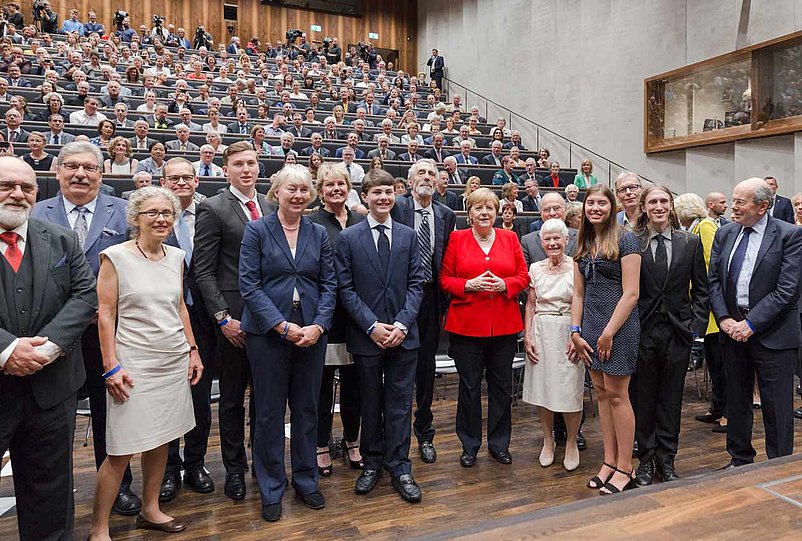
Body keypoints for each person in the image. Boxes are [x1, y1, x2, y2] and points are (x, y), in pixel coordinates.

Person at [88, 186, 202, 539]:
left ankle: (151, 510)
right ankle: (99, 529)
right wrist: (110, 365)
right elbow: (105, 314)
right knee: (121, 450)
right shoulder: (114, 257)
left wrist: (193, 349)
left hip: (172, 360)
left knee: (163, 440)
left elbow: (180, 306)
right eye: (151, 213)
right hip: (133, 365)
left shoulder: (177, 257)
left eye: (167, 213)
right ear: (135, 218)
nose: (161, 219)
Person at [31, 142, 138, 515]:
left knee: (111, 413)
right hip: (51, 334)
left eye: (89, 168)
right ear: (57, 171)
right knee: (51, 417)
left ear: (102, 173)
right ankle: (55, 492)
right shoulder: (33, 211)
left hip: (108, 334)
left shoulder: (125, 213)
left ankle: (118, 487)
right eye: (72, 166)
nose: (80, 174)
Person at [0, 156, 97, 541]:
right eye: (7, 185)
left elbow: (84, 295)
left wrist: (49, 348)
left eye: (26, 188)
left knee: (50, 499)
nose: (17, 194)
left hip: (52, 389)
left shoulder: (60, 238)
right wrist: (7, 350)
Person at [239, 166, 336, 522]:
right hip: (267, 334)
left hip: (311, 331)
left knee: (308, 408)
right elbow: (249, 286)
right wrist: (281, 326)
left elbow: (330, 285)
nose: (298, 195)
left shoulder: (318, 233)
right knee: (268, 413)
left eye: (304, 189)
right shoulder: (257, 230)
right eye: (290, 189)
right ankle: (271, 486)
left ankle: (307, 481)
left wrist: (319, 325)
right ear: (276, 192)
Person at [335, 169, 425, 503]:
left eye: (389, 192)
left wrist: (401, 325)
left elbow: (418, 283)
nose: (384, 198)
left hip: (404, 335)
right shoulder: (349, 238)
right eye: (377, 193)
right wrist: (372, 325)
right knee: (369, 402)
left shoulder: (408, 235)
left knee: (400, 404)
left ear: (396, 195)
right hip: (367, 336)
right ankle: (372, 463)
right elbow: (345, 288)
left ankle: (400, 466)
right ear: (365, 197)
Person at [194, 141, 276, 502]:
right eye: (239, 164)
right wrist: (222, 317)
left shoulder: (272, 206)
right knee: (230, 400)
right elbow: (204, 271)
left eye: (252, 163)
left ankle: (263, 463)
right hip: (233, 322)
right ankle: (234, 470)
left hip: (271, 320)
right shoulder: (212, 208)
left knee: (266, 399)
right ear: (226, 170)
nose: (246, 169)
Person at [708, 177, 802, 468]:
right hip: (732, 334)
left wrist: (751, 324)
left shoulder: (789, 235)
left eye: (740, 202)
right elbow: (713, 281)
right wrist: (724, 318)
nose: (733, 207)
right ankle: (739, 459)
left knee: (777, 408)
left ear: (762, 206)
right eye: (733, 200)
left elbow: (787, 289)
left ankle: (778, 467)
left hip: (773, 335)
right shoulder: (725, 234)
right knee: (737, 402)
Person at [440, 188, 529, 468]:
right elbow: (444, 279)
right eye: (478, 208)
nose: (484, 213)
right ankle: (469, 444)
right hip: (466, 327)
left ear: (497, 212)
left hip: (503, 325)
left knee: (501, 387)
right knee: (468, 387)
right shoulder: (457, 238)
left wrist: (506, 285)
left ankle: (499, 444)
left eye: (489, 208)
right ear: (469, 214)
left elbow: (523, 276)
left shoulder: (510, 237)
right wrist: (468, 284)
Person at [630, 186, 708, 487]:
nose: (659, 206)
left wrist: (695, 327)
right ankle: (646, 460)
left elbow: (701, 289)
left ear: (671, 206)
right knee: (644, 398)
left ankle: (667, 458)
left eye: (664, 201)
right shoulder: (632, 241)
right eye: (653, 202)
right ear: (644, 206)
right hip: (642, 331)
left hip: (678, 332)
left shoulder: (690, 242)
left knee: (671, 399)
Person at [570, 184, 641, 494]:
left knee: (617, 395)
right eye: (590, 202)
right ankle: (609, 461)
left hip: (618, 327)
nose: (595, 208)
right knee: (600, 394)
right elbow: (578, 293)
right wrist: (575, 331)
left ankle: (626, 467)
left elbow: (632, 293)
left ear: (612, 207)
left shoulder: (627, 239)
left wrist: (608, 332)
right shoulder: (583, 241)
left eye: (602, 203)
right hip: (590, 327)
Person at [157, 159, 216, 500]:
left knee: (199, 395)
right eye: (173, 178)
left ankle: (195, 462)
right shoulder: (150, 214)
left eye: (186, 177)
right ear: (163, 181)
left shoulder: (209, 212)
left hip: (204, 318)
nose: (180, 182)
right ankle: (167, 468)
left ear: (196, 181)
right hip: (163, 319)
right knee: (167, 396)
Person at [392, 160, 456, 464]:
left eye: (432, 173)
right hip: (398, 296)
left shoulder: (445, 214)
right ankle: (393, 432)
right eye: (421, 173)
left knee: (426, 367)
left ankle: (425, 431)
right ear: (409, 179)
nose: (427, 178)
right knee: (397, 365)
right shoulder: (397, 207)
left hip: (431, 297)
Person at [308, 163, 365, 478]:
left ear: (348, 187)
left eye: (341, 184)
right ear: (321, 190)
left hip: (356, 316)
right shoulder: (313, 222)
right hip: (327, 316)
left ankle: (353, 442)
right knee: (323, 386)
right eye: (329, 185)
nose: (336, 190)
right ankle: (321, 445)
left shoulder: (361, 219)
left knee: (355, 385)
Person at [523, 218, 583, 471]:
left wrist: (576, 334)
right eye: (547, 239)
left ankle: (570, 441)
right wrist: (528, 336)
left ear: (567, 241)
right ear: (541, 242)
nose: (552, 242)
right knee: (542, 389)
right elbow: (530, 304)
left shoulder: (577, 267)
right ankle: (548, 441)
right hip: (540, 330)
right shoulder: (535, 268)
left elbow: (582, 300)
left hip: (568, 331)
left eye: (557, 238)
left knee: (569, 389)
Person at [674, 193, 728, 433]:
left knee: (721, 364)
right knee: (713, 363)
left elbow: (710, 266)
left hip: (713, 310)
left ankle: (728, 414)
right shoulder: (695, 228)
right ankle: (716, 408)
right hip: (703, 309)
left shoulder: (705, 227)